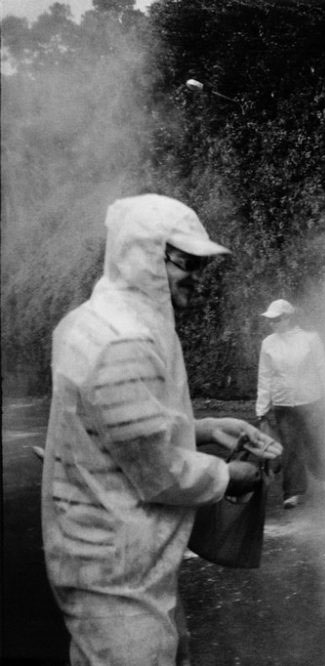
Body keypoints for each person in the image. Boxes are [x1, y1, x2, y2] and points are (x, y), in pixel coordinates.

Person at [40, 194, 282, 666]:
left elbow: (121, 437)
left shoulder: (100, 320)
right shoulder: (123, 340)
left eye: (202, 263)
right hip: (113, 570)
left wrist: (208, 428)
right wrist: (233, 476)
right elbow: (158, 472)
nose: (198, 275)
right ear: (139, 256)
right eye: (185, 260)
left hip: (116, 558)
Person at [256, 298, 325, 509]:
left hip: (311, 400)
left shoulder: (310, 339)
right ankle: (293, 492)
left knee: (314, 443)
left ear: (289, 318)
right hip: (283, 403)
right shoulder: (268, 343)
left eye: (277, 319)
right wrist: (261, 409)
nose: (273, 323)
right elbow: (265, 376)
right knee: (290, 447)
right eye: (270, 320)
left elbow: (322, 368)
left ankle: (324, 477)